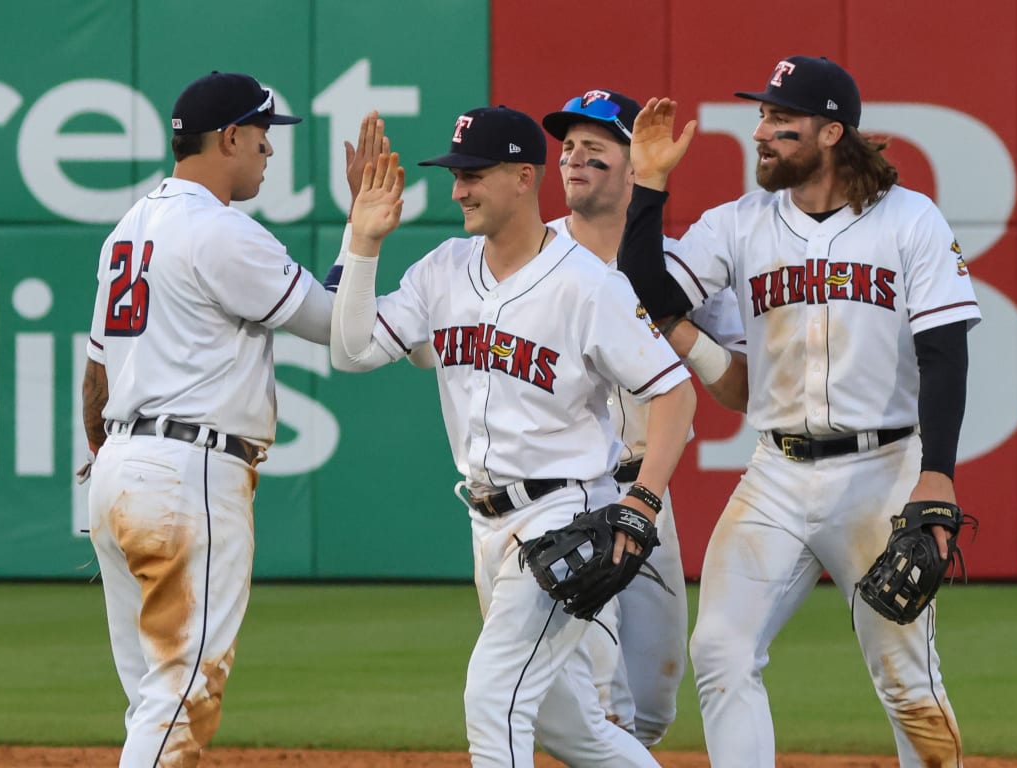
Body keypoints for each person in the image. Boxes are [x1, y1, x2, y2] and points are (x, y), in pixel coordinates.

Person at [615, 56, 981, 767]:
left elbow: (943, 352)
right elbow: (644, 290)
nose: (761, 132)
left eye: (782, 122)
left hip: (884, 469)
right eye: (762, 117)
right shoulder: (741, 223)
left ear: (832, 132)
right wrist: (649, 185)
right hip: (775, 474)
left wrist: (937, 475)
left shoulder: (909, 221)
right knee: (720, 650)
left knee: (905, 677)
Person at [329, 105, 697, 767]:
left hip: (566, 514)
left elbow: (674, 391)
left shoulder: (588, 285)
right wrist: (362, 243)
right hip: (487, 523)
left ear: (523, 178)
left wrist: (641, 502)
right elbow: (353, 350)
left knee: (493, 696)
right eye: (455, 172)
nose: (457, 188)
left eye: (473, 173)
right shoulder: (443, 269)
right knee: (573, 730)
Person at [80, 71, 333, 767]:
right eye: (261, 137)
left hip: (119, 469)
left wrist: (105, 453)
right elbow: (338, 323)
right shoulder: (222, 231)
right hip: (187, 476)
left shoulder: (129, 227)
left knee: (153, 694)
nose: (267, 152)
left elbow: (96, 372)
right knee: (182, 692)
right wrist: (361, 243)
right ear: (229, 138)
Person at [539, 88, 747, 746]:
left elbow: (741, 393)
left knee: (652, 707)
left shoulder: (677, 271)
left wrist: (677, 329)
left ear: (638, 165)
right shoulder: (530, 258)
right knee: (605, 706)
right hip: (561, 499)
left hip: (646, 493)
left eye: (594, 149)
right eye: (567, 148)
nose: (573, 159)